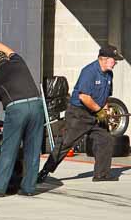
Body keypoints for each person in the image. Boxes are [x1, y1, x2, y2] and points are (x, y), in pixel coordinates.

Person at [37, 46, 124, 183]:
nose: (116, 63)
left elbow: (106, 95)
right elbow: (84, 97)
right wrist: (99, 111)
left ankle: (101, 174)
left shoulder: (109, 74)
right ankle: (44, 172)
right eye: (114, 60)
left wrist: (106, 110)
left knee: (105, 139)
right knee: (66, 143)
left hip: (96, 113)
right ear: (105, 59)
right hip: (79, 114)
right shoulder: (89, 72)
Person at [0, 38, 45, 197]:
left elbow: (1, 97)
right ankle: (28, 188)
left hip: (17, 108)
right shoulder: (18, 61)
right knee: (33, 149)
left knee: (9, 149)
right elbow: (9, 50)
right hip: (37, 105)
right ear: (5, 58)